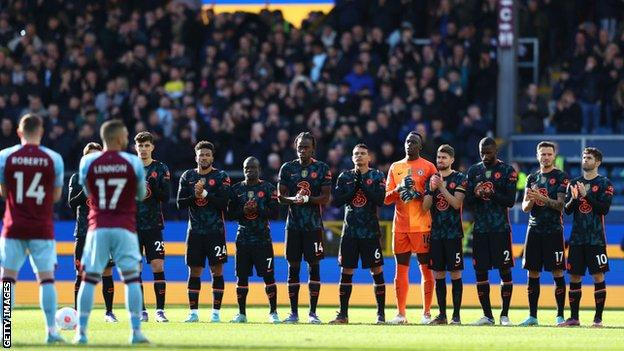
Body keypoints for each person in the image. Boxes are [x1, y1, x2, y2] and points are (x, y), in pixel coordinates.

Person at [75, 119, 148, 344]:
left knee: (88, 280)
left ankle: (81, 333)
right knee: (131, 279)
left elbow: (87, 191)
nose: (128, 139)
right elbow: (141, 194)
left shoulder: (87, 162)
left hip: (98, 226)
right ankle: (135, 332)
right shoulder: (132, 162)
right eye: (126, 135)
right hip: (125, 227)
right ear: (118, 138)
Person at [0, 114, 65, 344]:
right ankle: (51, 332)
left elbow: (3, 190)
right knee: (46, 279)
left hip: (13, 225)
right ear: (41, 131)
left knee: (7, 279)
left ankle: (4, 333)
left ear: (19, 132)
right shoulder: (54, 158)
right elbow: (56, 196)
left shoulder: (5, 157)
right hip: (41, 226)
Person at [277, 132, 331, 324]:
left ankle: (313, 313)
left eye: (306, 147)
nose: (302, 150)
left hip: (313, 226)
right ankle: (293, 313)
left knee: (314, 266)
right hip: (293, 226)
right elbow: (280, 197)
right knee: (293, 267)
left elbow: (326, 198)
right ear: (295, 147)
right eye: (300, 147)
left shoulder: (322, 168)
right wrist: (295, 199)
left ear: (313, 148)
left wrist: (307, 199)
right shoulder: (287, 168)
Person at [329, 144, 386, 324]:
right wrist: (355, 187)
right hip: (350, 232)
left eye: (362, 154)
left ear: (369, 158)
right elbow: (337, 202)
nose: (359, 156)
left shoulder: (377, 175)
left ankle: (381, 315)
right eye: (356, 154)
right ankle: (343, 314)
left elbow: (380, 200)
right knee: (346, 270)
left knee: (376, 270)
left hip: (370, 232)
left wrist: (362, 184)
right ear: (352, 157)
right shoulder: (345, 177)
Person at [384, 131, 437, 324]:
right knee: (401, 271)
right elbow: (386, 198)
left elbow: (435, 197)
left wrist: (418, 194)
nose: (409, 145)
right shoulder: (395, 167)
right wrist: (398, 190)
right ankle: (401, 314)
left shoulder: (429, 167)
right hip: (400, 227)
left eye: (414, 142)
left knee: (425, 270)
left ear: (420, 147)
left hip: (422, 226)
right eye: (407, 141)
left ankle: (427, 313)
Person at [464, 137, 518, 326]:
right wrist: (476, 195)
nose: (485, 156)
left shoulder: (507, 171)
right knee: (480, 272)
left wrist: (491, 193)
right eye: (482, 153)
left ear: (496, 151)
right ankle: (487, 315)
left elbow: (510, 201)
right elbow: (467, 202)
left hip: (500, 229)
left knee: (505, 271)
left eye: (489, 152)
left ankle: (504, 315)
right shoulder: (473, 171)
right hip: (480, 230)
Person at [176, 141, 231, 323]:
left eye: (207, 154)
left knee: (217, 271)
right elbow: (179, 203)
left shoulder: (221, 176)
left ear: (212, 157)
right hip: (195, 232)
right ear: (196, 157)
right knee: (194, 271)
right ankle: (193, 313)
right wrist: (195, 195)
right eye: (201, 155)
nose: (204, 157)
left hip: (215, 231)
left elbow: (225, 204)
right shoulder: (187, 176)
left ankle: (215, 313)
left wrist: (205, 194)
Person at [560, 147, 613, 327]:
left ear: (597, 162)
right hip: (576, 239)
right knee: (574, 277)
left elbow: (603, 209)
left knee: (598, 276)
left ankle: (598, 319)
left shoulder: (605, 183)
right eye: (583, 157)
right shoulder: (573, 183)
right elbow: (567, 210)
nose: (585, 160)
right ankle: (574, 318)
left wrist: (586, 196)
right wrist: (574, 199)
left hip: (596, 239)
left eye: (589, 158)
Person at [520, 141, 569, 326]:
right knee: (532, 272)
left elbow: (560, 205)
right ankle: (532, 316)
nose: (546, 157)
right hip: (534, 229)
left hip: (554, 230)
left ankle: (559, 316)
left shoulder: (561, 177)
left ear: (554, 156)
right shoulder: (532, 178)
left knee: (557, 271)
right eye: (543, 154)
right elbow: (525, 207)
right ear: (537, 156)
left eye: (549, 154)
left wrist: (540, 197)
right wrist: (532, 200)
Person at [69, 142, 118, 322]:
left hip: (104, 232)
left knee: (106, 272)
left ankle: (109, 312)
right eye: (89, 156)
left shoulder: (111, 178)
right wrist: (86, 190)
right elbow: (71, 203)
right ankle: (77, 313)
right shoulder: (76, 178)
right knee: (80, 274)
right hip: (82, 233)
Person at [228, 157, 280, 323]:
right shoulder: (235, 189)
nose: (249, 170)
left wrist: (259, 208)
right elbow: (229, 215)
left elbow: (276, 213)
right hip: (242, 239)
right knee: (241, 277)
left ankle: (273, 313)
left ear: (259, 169)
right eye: (246, 168)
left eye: (253, 167)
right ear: (243, 170)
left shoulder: (268, 188)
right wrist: (243, 211)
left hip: (263, 239)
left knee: (269, 277)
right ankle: (241, 313)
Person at [422, 144, 466, 325]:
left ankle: (456, 316)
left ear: (452, 160)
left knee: (455, 273)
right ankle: (441, 315)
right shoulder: (430, 180)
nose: (440, 160)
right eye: (439, 158)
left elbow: (456, 204)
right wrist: (432, 189)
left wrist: (441, 187)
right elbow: (425, 207)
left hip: (453, 234)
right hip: (437, 235)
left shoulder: (460, 178)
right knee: (438, 274)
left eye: (444, 158)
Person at [134, 131, 171, 323]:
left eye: (147, 146)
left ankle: (160, 310)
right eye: (140, 146)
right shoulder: (129, 168)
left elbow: (166, 197)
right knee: (135, 267)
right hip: (132, 226)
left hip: (153, 224)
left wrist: (149, 186)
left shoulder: (160, 168)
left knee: (157, 264)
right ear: (136, 148)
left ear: (152, 147)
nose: (143, 149)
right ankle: (141, 310)